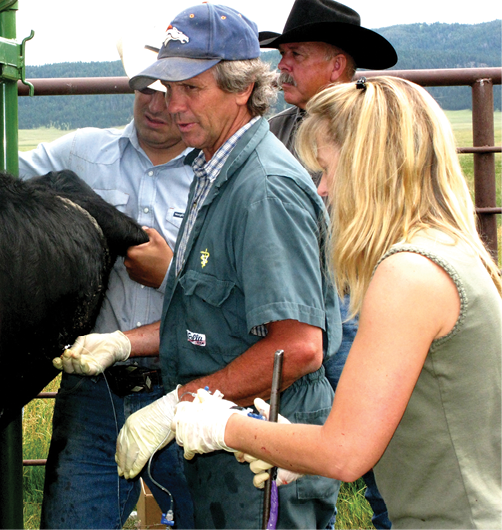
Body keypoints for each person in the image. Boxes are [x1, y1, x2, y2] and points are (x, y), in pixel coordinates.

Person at [171, 76, 502, 529]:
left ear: (371, 168)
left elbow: (346, 453)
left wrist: (219, 425)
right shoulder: (449, 251)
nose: (323, 189)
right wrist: (289, 445)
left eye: (327, 168)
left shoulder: (408, 274)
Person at [114, 3, 343, 529]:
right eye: (167, 89)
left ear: (242, 88)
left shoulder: (262, 190)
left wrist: (176, 405)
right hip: (227, 441)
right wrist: (124, 343)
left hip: (264, 453)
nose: (173, 106)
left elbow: (301, 347)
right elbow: (214, 318)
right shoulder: (212, 167)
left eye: (191, 89)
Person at [19, 40, 195, 530]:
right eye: (145, 88)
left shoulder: (217, 178)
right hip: (95, 388)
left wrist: (171, 272)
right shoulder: (80, 154)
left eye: (170, 92)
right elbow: (8, 183)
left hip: (188, 387)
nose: (156, 105)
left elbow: (234, 289)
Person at [260, 1, 397, 527]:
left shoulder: (374, 129)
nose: (282, 66)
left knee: (386, 459)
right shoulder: (274, 131)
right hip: (301, 310)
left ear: (337, 64)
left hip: (361, 304)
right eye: (282, 54)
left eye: (295, 54)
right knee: (301, 466)